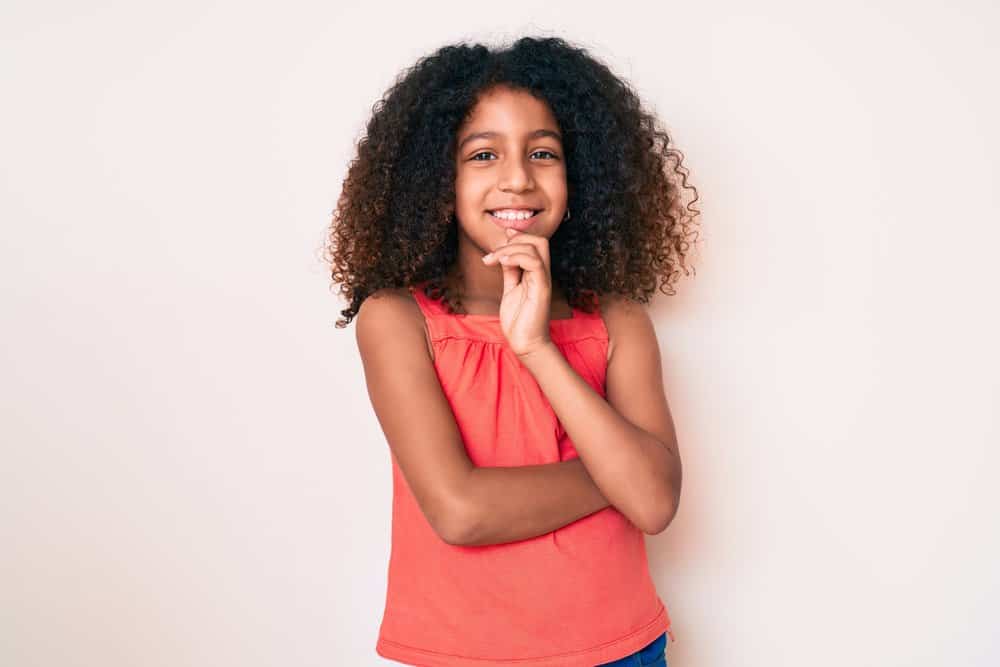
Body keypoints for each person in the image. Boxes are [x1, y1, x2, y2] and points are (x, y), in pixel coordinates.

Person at [325, 35, 700, 667]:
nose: (517, 178)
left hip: (622, 649)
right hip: (458, 655)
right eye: (483, 154)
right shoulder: (397, 321)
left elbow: (656, 505)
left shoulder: (618, 322)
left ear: (580, 177)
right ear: (436, 180)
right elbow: (461, 511)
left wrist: (535, 347)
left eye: (543, 153)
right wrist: (621, 475)